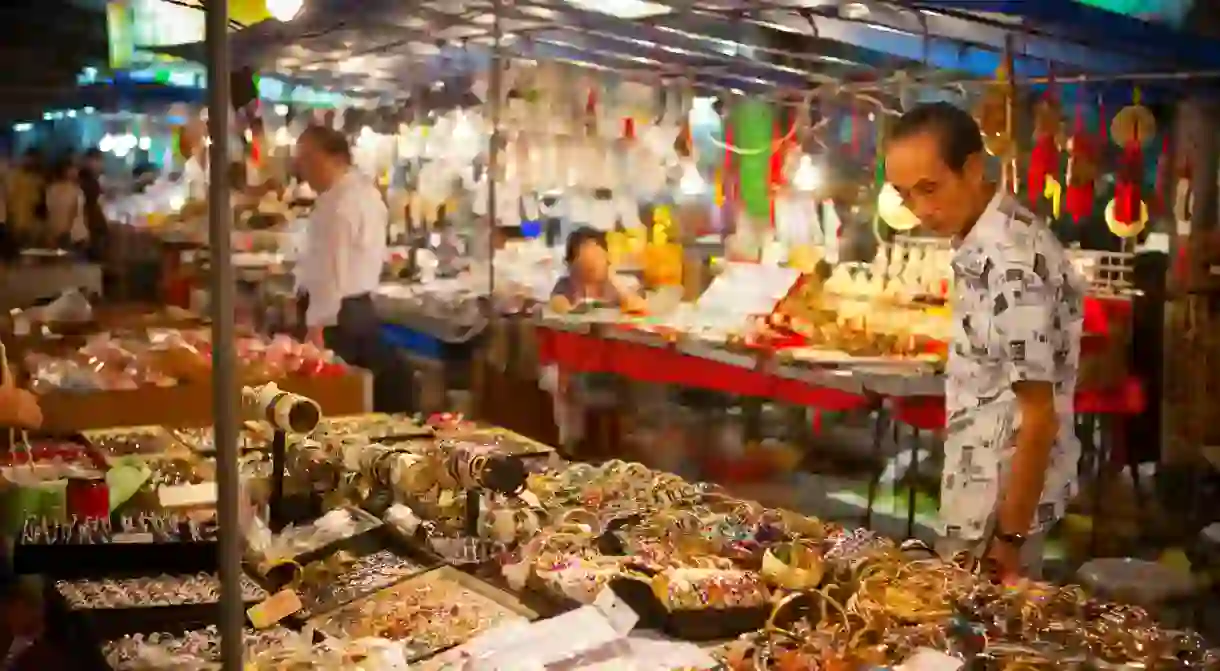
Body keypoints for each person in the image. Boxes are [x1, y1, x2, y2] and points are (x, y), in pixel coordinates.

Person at [884, 102, 1084, 579]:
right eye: (905, 195)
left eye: (930, 189)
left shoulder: (1010, 263)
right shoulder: (982, 242)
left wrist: (1009, 539)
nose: (920, 210)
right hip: (978, 492)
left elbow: (1040, 416)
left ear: (973, 169)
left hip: (996, 511)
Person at [293, 125, 412, 412]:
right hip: (357, 310)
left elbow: (332, 267)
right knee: (356, 398)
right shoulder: (364, 194)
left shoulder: (340, 204)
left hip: (337, 319)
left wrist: (317, 325)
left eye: (309, 159)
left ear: (335, 158)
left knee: (336, 404)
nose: (304, 170)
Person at [549, 227, 646, 314]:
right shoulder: (566, 286)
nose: (592, 265)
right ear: (571, 264)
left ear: (607, 258)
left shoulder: (624, 284)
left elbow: (637, 305)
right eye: (584, 261)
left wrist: (615, 282)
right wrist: (574, 308)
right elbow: (558, 304)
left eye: (597, 256)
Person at [44, 160, 87, 250]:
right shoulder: (68, 190)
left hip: (68, 234)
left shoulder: (54, 189)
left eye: (76, 168)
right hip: (69, 234)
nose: (75, 171)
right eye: (72, 169)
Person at [6, 150, 44, 249]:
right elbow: (9, 196)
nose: (31, 161)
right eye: (29, 158)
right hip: (16, 216)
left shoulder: (38, 178)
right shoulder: (14, 175)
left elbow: (39, 200)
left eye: (34, 159)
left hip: (31, 217)